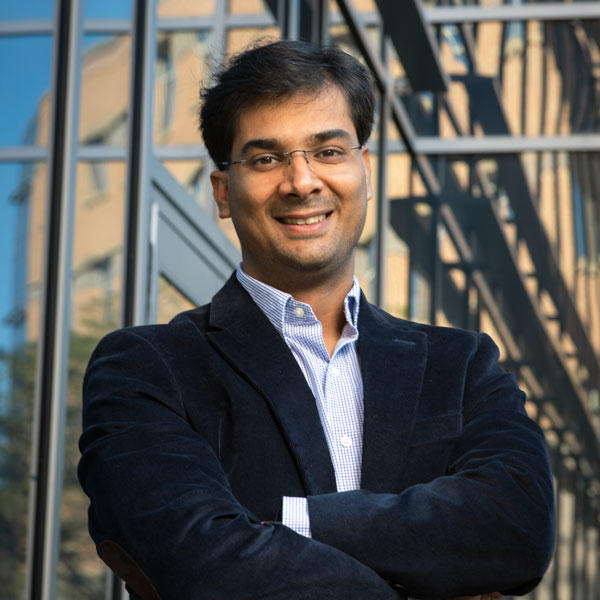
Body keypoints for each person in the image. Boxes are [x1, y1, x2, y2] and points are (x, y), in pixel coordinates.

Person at [78, 40, 555, 600]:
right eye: (266, 158)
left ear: (365, 171)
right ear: (223, 191)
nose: (301, 181)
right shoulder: (148, 368)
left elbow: (517, 530)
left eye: (328, 151)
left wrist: (291, 522)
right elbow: (198, 562)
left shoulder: (462, 364)